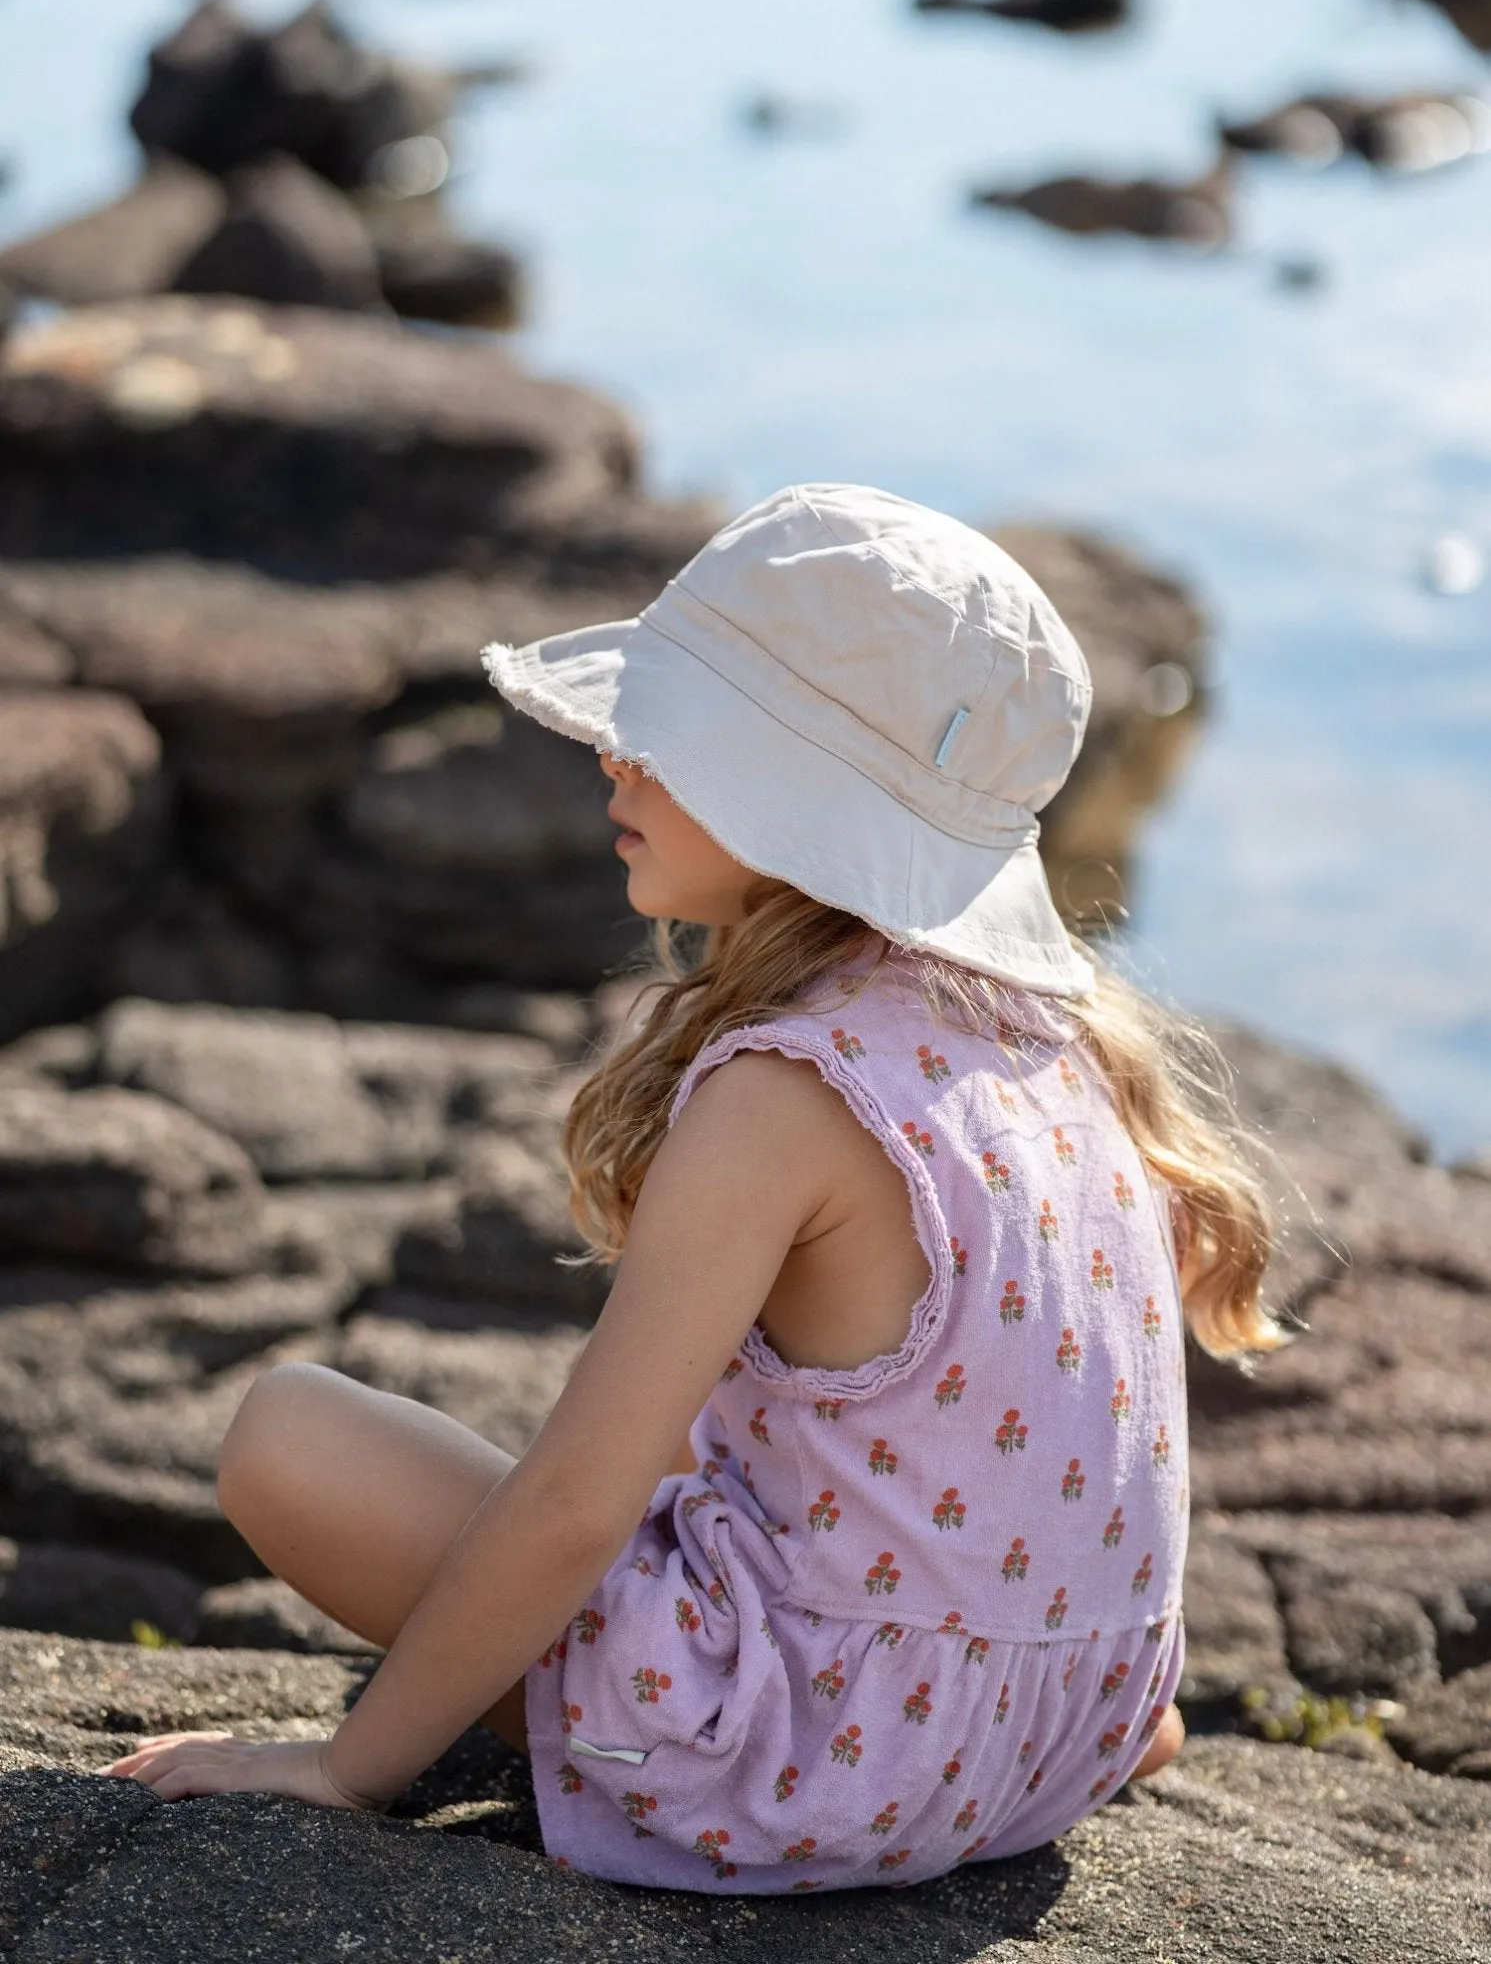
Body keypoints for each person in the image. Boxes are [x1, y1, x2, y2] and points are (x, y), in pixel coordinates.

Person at [100, 484, 1281, 1891]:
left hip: (816, 1763)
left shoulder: (783, 1093)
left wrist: (349, 1773)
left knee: (288, 1434)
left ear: (798, 800)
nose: (615, 760)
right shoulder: (1063, 1045)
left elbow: (570, 1512)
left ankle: (680, 1742)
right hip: (1068, 1733)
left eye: (669, 740)